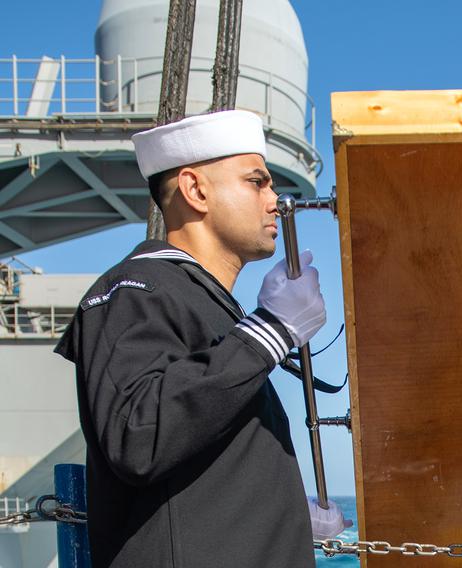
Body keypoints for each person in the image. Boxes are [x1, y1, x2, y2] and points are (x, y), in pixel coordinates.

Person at [55, 110, 348, 567]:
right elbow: (139, 437)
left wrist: (286, 514)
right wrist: (270, 330)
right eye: (257, 182)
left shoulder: (201, 303)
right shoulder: (137, 290)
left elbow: (202, 472)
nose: (275, 200)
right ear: (195, 190)